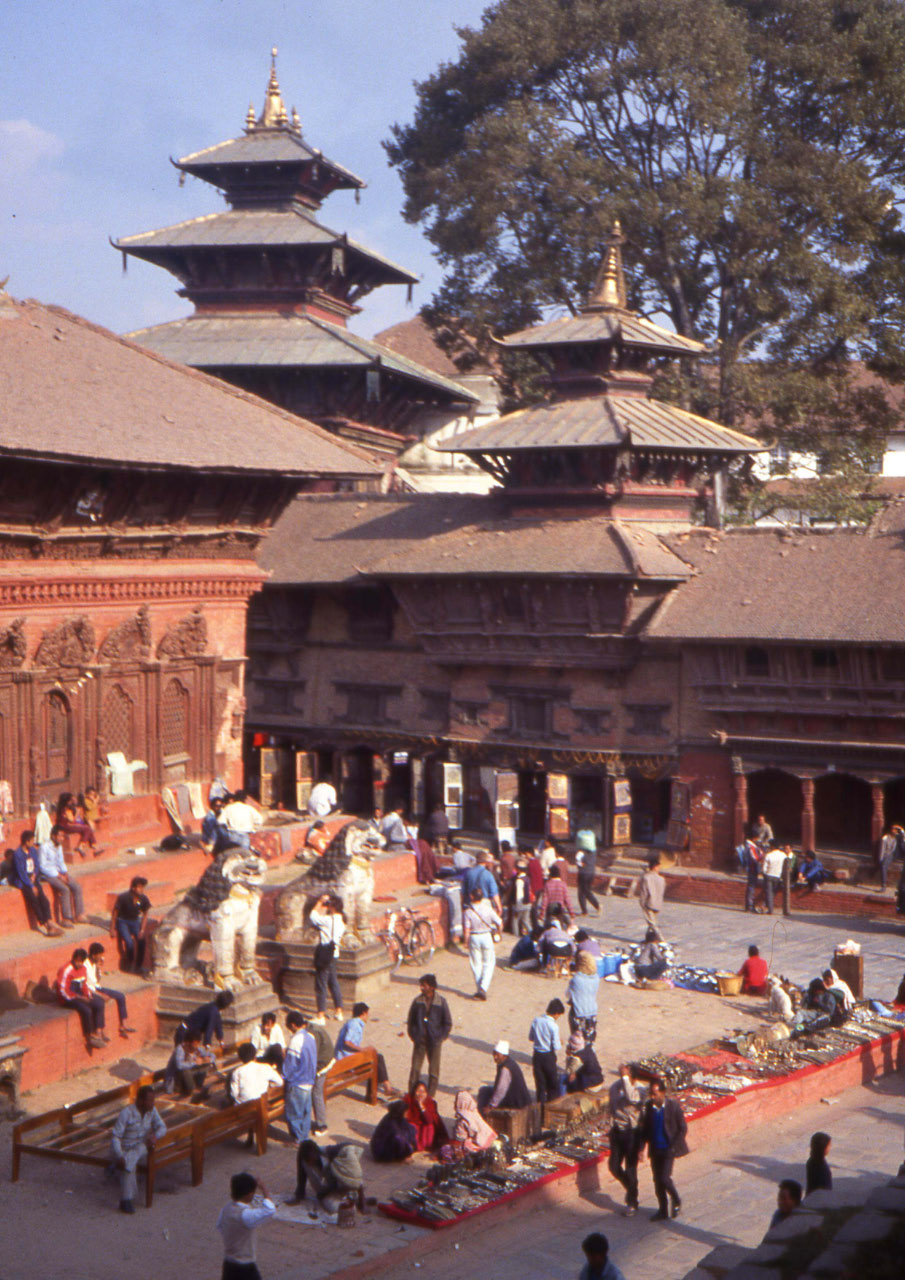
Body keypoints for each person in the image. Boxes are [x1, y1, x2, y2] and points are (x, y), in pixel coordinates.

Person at [110, 1084, 166, 1214]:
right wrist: (119, 1155)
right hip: (125, 1147)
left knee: (140, 1149)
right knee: (131, 1165)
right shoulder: (127, 1113)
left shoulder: (152, 1111)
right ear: (140, 1101)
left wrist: (155, 1136)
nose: (153, 1103)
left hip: (141, 1146)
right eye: (150, 1100)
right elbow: (116, 1137)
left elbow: (162, 1127)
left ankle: (125, 1198)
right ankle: (126, 1200)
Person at [642, 1077, 688, 1221]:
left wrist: (674, 1146)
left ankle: (676, 1198)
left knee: (664, 1178)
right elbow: (646, 1129)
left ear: (662, 1093)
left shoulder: (673, 1107)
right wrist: (641, 1147)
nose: (652, 1097)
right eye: (651, 1094)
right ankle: (663, 1210)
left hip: (669, 1148)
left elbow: (682, 1128)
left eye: (655, 1094)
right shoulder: (649, 1107)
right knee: (657, 1181)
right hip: (655, 1148)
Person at [217, 1170, 276, 1280]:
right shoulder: (246, 1215)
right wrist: (264, 1189)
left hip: (229, 1263)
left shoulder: (226, 1209)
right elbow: (270, 1209)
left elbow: (220, 1226)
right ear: (249, 1194)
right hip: (245, 1265)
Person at [608, 1065, 645, 1216]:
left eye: (627, 1076)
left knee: (631, 1168)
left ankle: (632, 1201)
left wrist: (625, 1079)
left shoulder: (641, 1089)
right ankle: (631, 1188)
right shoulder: (615, 1087)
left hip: (632, 1133)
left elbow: (632, 1098)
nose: (623, 1079)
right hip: (617, 1131)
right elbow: (613, 1105)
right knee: (614, 1166)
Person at [406, 974, 452, 1097]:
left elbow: (447, 1022)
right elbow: (411, 1021)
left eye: (424, 985)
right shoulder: (417, 1002)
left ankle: (430, 1096)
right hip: (420, 1041)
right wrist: (414, 1035)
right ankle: (411, 1095)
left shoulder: (441, 1002)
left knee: (433, 1071)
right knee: (415, 1069)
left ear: (431, 987)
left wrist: (441, 1037)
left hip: (434, 1042)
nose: (421, 988)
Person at [334, 1002, 393, 1096]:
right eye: (367, 1014)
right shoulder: (354, 1024)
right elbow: (347, 1042)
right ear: (363, 1013)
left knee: (377, 1057)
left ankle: (386, 1086)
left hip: (348, 1056)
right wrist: (362, 1050)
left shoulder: (354, 1023)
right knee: (375, 1060)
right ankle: (384, 1088)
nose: (368, 1016)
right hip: (346, 1058)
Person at [11, 828, 62, 936]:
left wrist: (34, 875)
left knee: (44, 899)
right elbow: (21, 873)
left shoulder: (33, 850)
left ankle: (49, 921)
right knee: (34, 901)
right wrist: (30, 885)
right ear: (26, 841)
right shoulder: (18, 854)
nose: (33, 842)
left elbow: (37, 864)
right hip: (23, 881)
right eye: (31, 840)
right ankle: (45, 925)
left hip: (33, 878)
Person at [293, 1140, 366, 1214]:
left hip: (340, 1187)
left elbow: (357, 1179)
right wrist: (299, 1194)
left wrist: (362, 1201)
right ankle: (349, 1202)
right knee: (333, 1207)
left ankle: (355, 1201)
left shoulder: (333, 1156)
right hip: (329, 1190)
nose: (311, 1162)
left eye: (312, 1158)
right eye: (308, 1160)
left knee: (341, 1203)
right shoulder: (304, 1159)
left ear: (317, 1153)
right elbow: (301, 1175)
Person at [37, 824, 86, 926]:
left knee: (76, 886)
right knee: (65, 889)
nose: (61, 838)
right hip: (48, 874)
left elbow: (61, 861)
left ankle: (79, 914)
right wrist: (59, 876)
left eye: (63, 836)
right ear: (53, 836)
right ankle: (66, 918)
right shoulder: (44, 846)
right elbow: (42, 866)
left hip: (59, 872)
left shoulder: (59, 847)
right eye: (59, 836)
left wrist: (65, 873)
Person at [56, 947, 106, 1048]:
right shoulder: (66, 969)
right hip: (67, 998)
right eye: (77, 961)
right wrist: (80, 997)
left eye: (80, 961)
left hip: (79, 994)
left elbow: (84, 985)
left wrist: (87, 995)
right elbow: (63, 991)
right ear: (73, 959)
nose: (78, 964)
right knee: (86, 1009)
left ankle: (98, 1031)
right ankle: (89, 1035)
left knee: (99, 1003)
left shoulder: (83, 969)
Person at [309, 892, 346, 1022]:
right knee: (333, 982)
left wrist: (319, 902)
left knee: (321, 984)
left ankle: (321, 1015)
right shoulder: (341, 921)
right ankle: (339, 1010)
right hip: (334, 954)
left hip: (324, 954)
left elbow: (313, 917)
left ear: (332, 907)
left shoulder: (328, 921)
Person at [85, 942, 134, 1038]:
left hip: (97, 987)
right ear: (94, 955)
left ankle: (123, 1024)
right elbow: (87, 986)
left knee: (120, 996)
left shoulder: (95, 963)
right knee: (100, 1003)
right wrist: (99, 994)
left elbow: (97, 980)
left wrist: (98, 969)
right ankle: (100, 1031)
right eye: (100, 955)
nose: (101, 957)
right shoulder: (85, 965)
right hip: (90, 990)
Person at [283, 1011, 317, 1143]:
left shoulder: (296, 1040)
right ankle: (304, 1137)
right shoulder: (311, 1037)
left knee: (293, 1114)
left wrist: (284, 1077)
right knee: (305, 1112)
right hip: (309, 1080)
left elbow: (290, 1065)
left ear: (292, 1025)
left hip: (297, 1082)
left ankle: (298, 1140)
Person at [463, 886, 502, 999]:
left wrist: (466, 941)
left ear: (472, 896)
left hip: (474, 936)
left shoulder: (468, 912)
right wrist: (498, 933)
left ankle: (479, 987)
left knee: (476, 964)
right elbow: (499, 922)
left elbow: (466, 929)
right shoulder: (488, 909)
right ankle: (483, 987)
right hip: (486, 936)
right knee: (489, 962)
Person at [478, 1040, 532, 1114]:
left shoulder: (506, 1069)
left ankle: (482, 1116)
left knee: (484, 1092)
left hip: (515, 1102)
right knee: (485, 1090)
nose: (495, 1057)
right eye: (494, 1054)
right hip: (516, 1098)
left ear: (504, 1056)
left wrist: (491, 1106)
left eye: (497, 1055)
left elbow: (501, 1090)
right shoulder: (509, 1063)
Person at [110, 876, 151, 971]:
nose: (142, 890)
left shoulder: (143, 899)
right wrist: (112, 928)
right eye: (139, 887)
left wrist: (142, 929)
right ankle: (129, 964)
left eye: (143, 887)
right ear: (133, 888)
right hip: (122, 921)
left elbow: (145, 915)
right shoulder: (123, 897)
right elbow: (115, 912)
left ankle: (138, 966)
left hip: (135, 921)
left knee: (142, 940)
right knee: (129, 942)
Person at [529, 998, 565, 1103]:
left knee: (540, 1084)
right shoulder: (553, 1026)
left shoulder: (536, 1020)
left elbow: (531, 1037)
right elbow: (556, 1046)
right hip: (548, 1056)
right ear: (557, 1014)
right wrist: (560, 1041)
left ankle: (540, 1106)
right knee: (552, 1084)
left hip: (537, 1055)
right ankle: (550, 1106)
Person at [164, 1031, 219, 1097]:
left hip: (188, 1078)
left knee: (206, 1065)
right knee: (185, 1070)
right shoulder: (180, 1050)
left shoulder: (197, 1049)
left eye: (197, 1044)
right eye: (195, 1044)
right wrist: (194, 1063)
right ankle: (191, 1090)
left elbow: (212, 1055)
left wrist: (209, 1059)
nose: (196, 1047)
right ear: (188, 1043)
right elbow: (179, 1066)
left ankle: (198, 1086)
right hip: (177, 1081)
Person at [308, 1011, 335, 1135]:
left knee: (316, 1093)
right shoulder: (313, 1028)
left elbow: (314, 1054)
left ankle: (321, 1125)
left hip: (322, 1065)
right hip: (327, 1060)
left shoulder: (312, 1034)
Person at [403, 1080, 448, 1152]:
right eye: (418, 1091)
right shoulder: (408, 1100)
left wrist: (422, 1107)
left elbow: (430, 1120)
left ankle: (425, 1145)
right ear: (414, 1092)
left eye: (423, 1092)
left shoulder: (430, 1102)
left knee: (429, 1126)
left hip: (425, 1127)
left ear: (427, 1093)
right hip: (414, 1126)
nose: (420, 1094)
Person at [567, 950, 600, 1045]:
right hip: (592, 1012)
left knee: (577, 1041)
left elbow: (568, 994)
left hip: (578, 1012)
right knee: (589, 1041)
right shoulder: (596, 978)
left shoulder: (576, 979)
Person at [462, 849, 502, 916]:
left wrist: (462, 904)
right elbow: (494, 892)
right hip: (485, 903)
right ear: (486, 862)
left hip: (471, 903)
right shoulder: (488, 874)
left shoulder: (468, 873)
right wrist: (499, 906)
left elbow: (463, 892)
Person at [575, 828, 600, 916]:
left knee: (582, 892)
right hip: (591, 873)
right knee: (587, 890)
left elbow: (579, 864)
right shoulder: (594, 852)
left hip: (583, 874)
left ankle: (586, 910)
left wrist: (580, 863)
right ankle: (596, 906)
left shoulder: (580, 853)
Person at [639, 855, 665, 939]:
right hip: (658, 903)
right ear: (655, 867)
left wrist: (642, 903)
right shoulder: (661, 879)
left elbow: (644, 892)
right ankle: (649, 938)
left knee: (652, 923)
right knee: (651, 921)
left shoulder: (646, 877)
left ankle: (661, 939)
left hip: (648, 903)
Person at [507, 857, 535, 936]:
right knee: (525, 921)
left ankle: (515, 936)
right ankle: (533, 933)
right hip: (527, 903)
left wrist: (516, 907)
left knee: (515, 921)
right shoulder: (527, 878)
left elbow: (519, 895)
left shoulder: (519, 880)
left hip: (520, 904)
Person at [762, 844, 787, 915]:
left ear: (772, 847)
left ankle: (770, 909)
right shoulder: (783, 855)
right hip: (778, 876)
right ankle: (768, 906)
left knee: (769, 892)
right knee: (773, 892)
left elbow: (764, 868)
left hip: (769, 875)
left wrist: (765, 873)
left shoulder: (768, 855)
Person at [744, 840, 764, 913]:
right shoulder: (751, 848)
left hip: (753, 870)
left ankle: (749, 905)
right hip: (752, 870)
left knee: (751, 887)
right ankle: (749, 906)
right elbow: (756, 858)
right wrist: (761, 854)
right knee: (751, 888)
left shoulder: (750, 847)